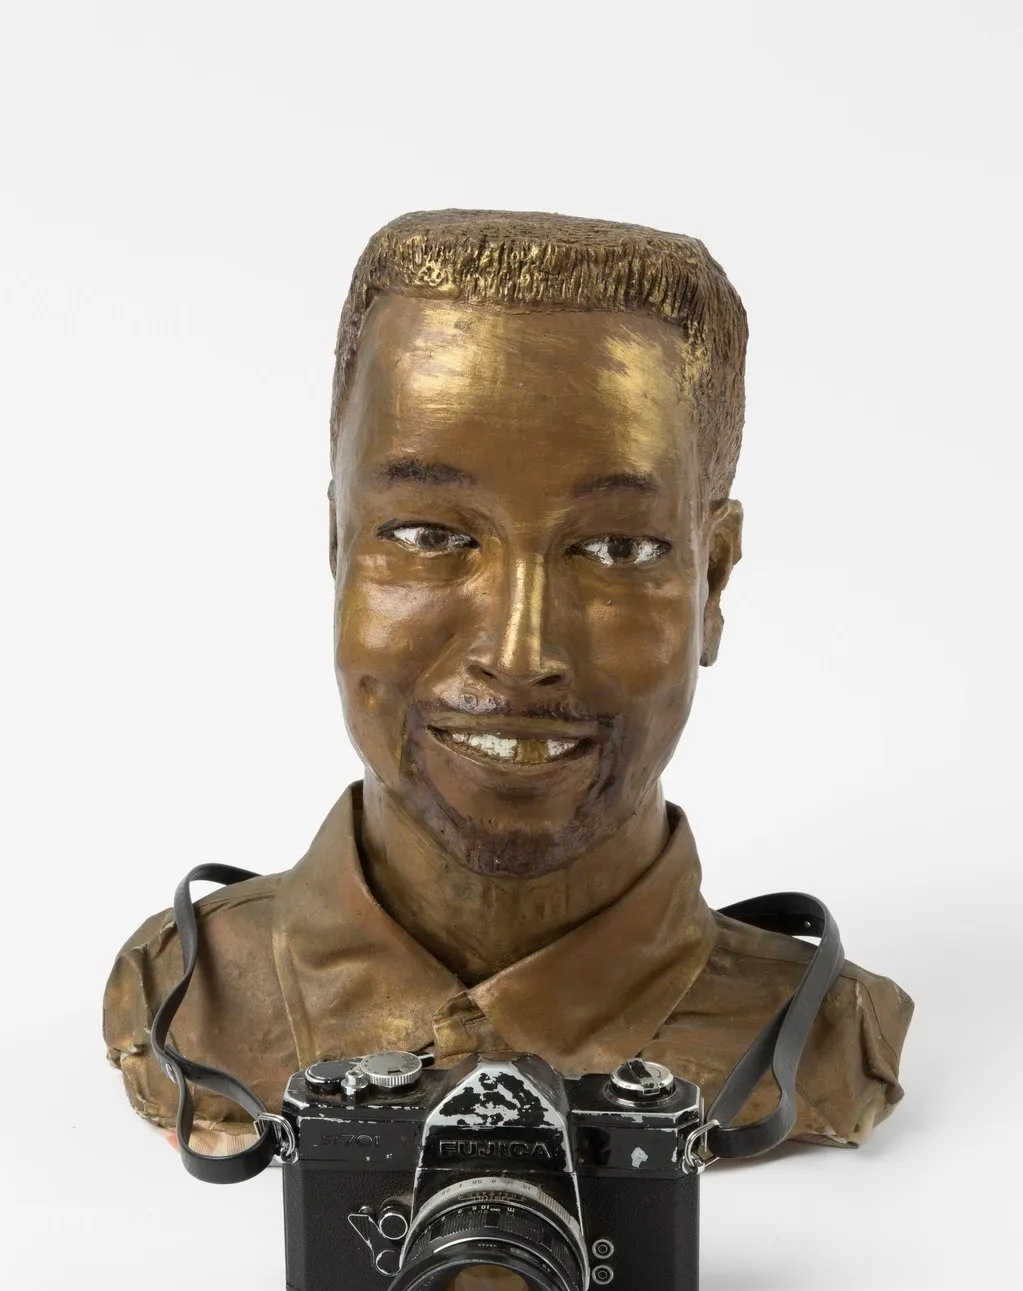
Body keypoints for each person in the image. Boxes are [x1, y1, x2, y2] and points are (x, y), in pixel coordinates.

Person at [103, 209, 913, 1157]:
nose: (519, 651)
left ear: (713, 579)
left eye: (615, 547)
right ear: (337, 543)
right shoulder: (182, 997)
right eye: (426, 535)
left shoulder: (817, 1037)